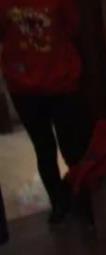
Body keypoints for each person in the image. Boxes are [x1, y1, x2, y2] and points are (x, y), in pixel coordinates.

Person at [0, 0, 91, 223]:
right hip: (24, 87)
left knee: (73, 148)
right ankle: (59, 202)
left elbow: (74, 27)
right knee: (44, 149)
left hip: (62, 83)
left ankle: (82, 200)